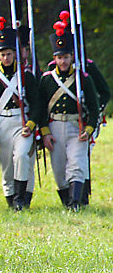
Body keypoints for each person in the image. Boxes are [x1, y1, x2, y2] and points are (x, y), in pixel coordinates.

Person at [38, 15, 99, 210]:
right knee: (59, 168)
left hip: (77, 126)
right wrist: (45, 133)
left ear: (72, 56)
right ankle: (67, 200)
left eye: (65, 57)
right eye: (59, 57)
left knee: (77, 164)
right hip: (54, 126)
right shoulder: (47, 80)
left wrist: (89, 129)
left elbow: (94, 106)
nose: (63, 61)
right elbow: (40, 108)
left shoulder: (83, 78)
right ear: (54, 58)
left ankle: (75, 204)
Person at [0, 17, 40, 210]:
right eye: (2, 54)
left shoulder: (26, 76)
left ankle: (20, 198)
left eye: (9, 53)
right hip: (1, 124)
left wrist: (31, 124)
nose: (6, 58)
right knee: (7, 165)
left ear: (15, 53)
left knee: (22, 156)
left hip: (22, 123)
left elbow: (37, 103)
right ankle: (10, 197)